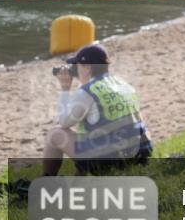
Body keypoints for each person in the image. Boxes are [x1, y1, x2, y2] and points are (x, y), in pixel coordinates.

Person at [42, 44, 153, 176]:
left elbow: (64, 122)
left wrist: (65, 89)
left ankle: (46, 180)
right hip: (141, 155)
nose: (75, 70)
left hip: (112, 161)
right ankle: (77, 181)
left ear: (88, 67)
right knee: (93, 135)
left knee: (55, 134)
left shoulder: (87, 92)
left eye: (77, 65)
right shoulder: (123, 84)